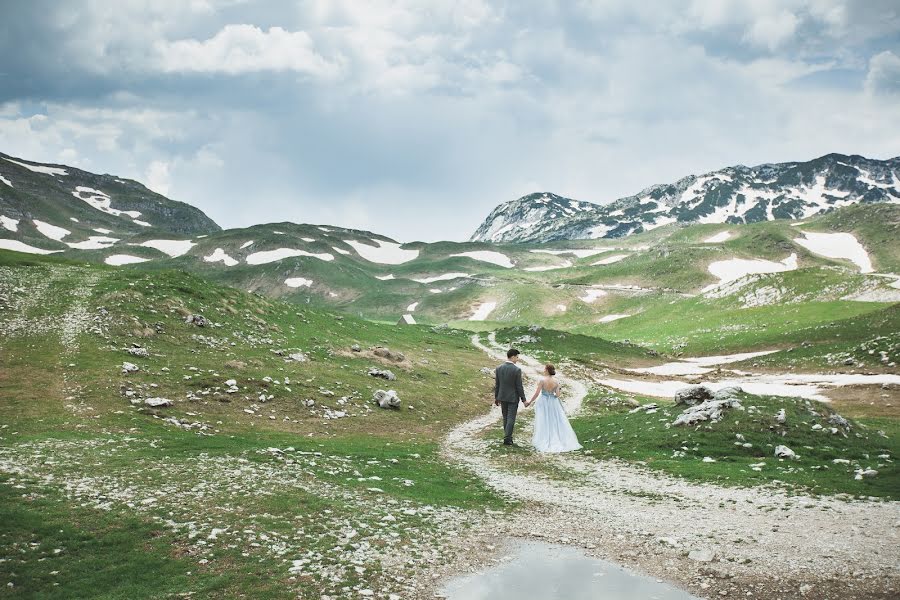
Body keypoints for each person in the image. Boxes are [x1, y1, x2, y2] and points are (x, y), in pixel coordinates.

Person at [526, 363, 582, 453]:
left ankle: (543, 438)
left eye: (545, 369)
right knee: (554, 419)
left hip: (543, 401)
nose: (544, 370)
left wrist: (529, 402)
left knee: (543, 419)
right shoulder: (556, 381)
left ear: (547, 370)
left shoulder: (542, 381)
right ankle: (557, 437)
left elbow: (537, 393)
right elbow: (558, 395)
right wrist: (557, 390)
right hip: (553, 402)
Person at [494, 348, 527, 446]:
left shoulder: (499, 368)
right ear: (512, 357)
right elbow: (519, 386)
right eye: (517, 357)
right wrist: (524, 399)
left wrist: (496, 397)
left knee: (505, 417)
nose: (517, 359)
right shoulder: (517, 370)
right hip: (513, 398)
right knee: (511, 418)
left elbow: (497, 385)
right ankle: (507, 438)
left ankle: (508, 436)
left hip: (502, 397)